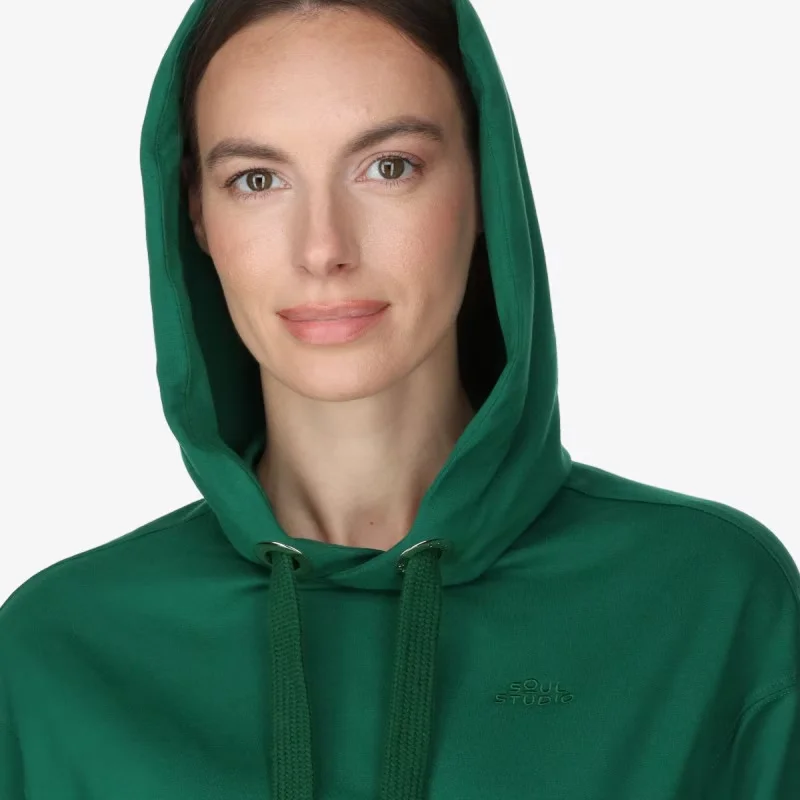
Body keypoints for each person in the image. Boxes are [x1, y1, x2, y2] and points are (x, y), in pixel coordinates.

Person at [1, 0, 797, 796]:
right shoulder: (57, 654)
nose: (323, 248)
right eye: (256, 180)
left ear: (484, 182)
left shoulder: (707, 603)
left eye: (389, 167)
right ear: (197, 215)